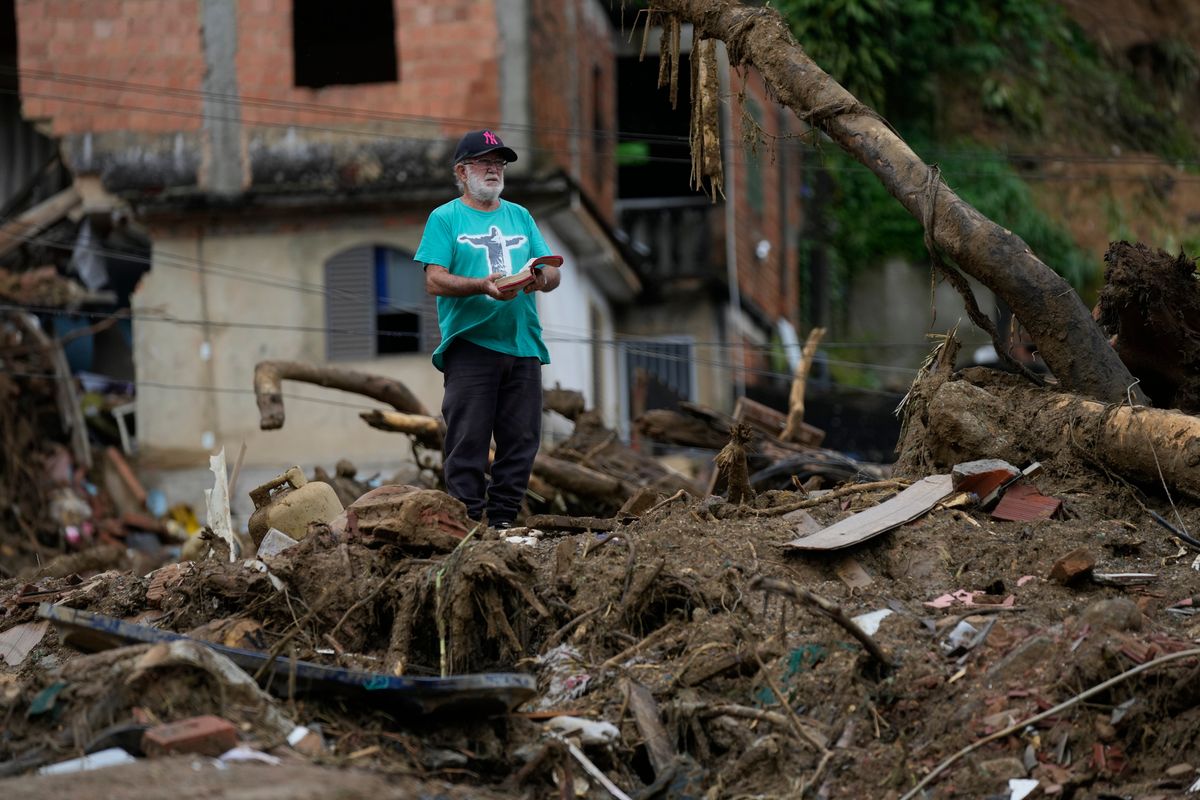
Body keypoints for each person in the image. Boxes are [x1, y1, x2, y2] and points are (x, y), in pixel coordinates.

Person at [414, 130, 561, 529]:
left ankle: (502, 525)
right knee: (468, 443)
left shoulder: (520, 215)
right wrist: (482, 285)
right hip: (471, 346)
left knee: (522, 443)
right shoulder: (445, 218)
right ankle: (466, 528)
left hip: (523, 345)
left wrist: (538, 279)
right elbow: (434, 280)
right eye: (484, 162)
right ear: (462, 171)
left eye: (499, 163)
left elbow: (550, 272)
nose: (494, 169)